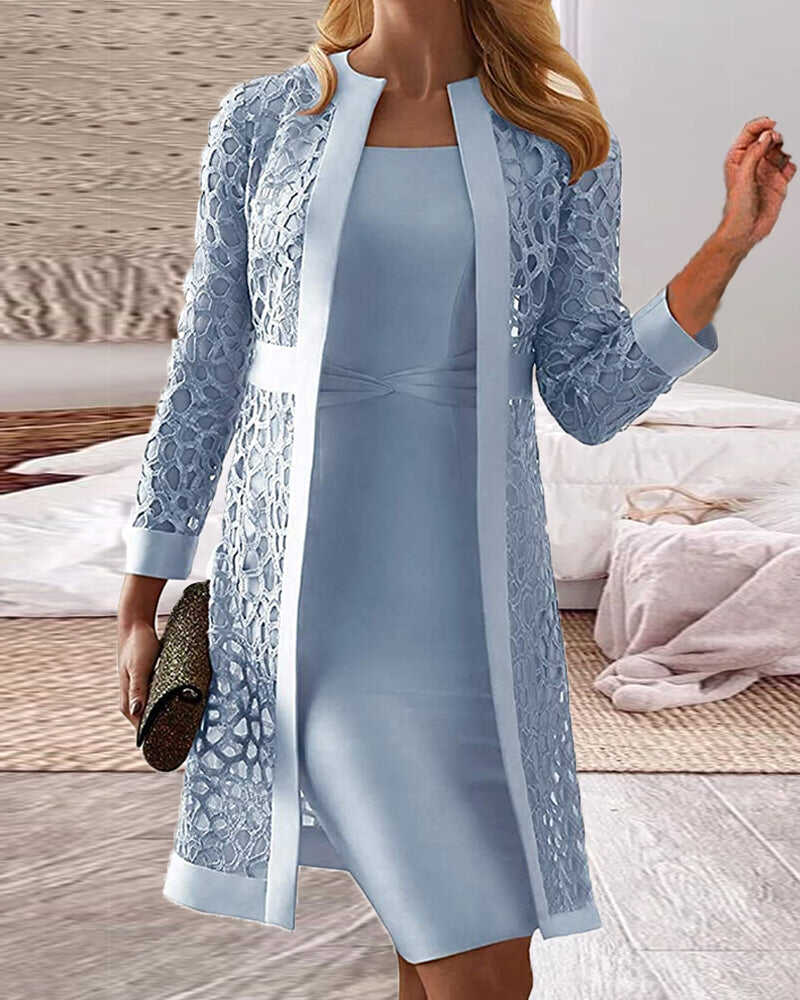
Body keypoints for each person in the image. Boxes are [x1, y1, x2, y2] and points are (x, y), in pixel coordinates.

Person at [116, 3, 794, 998]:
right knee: (474, 960)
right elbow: (207, 367)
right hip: (310, 613)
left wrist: (726, 246)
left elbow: (589, 395)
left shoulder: (558, 143)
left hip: (475, 626)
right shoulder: (265, 120)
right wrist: (141, 596)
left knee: (464, 940)